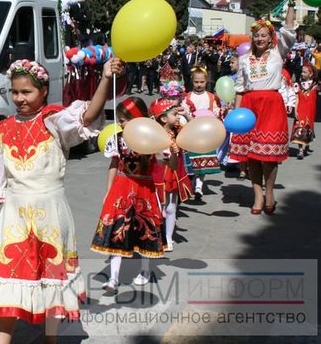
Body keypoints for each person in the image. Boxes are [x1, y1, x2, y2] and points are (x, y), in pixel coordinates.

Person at [0, 57, 124, 343]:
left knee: (50, 278)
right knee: (6, 278)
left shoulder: (54, 120)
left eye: (26, 92)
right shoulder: (4, 129)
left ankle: (50, 338)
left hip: (51, 214)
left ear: (43, 91)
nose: (19, 98)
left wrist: (106, 78)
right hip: (14, 216)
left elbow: (87, 116)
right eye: (15, 92)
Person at [229, 0, 299, 215]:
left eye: (263, 35)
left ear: (270, 37)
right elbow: (240, 88)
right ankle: (257, 196)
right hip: (249, 107)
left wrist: (291, 3)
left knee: (268, 156)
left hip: (271, 105)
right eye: (256, 35)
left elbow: (289, 29)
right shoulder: (244, 59)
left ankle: (269, 193)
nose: (260, 38)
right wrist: (236, 115)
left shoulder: (279, 51)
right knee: (251, 156)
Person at [90, 97, 165, 293]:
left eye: (123, 120)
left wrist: (169, 152)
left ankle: (146, 270)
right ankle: (113, 278)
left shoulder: (153, 138)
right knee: (117, 228)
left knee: (145, 227)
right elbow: (114, 164)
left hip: (144, 187)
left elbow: (164, 164)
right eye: (119, 120)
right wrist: (108, 190)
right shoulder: (118, 138)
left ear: (137, 118)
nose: (120, 124)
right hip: (122, 187)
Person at [150, 98, 192, 252]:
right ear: (163, 118)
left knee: (171, 207)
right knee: (158, 207)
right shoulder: (154, 134)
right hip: (158, 174)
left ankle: (168, 238)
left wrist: (187, 115)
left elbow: (193, 130)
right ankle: (155, 236)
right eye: (174, 114)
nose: (178, 117)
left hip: (174, 173)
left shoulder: (179, 130)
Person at [183, 67, 222, 197]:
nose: (199, 85)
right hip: (191, 132)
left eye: (202, 82)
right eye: (196, 82)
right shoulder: (187, 97)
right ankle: (191, 183)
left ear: (206, 82)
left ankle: (199, 186)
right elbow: (184, 113)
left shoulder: (211, 97)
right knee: (191, 160)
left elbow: (215, 112)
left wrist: (221, 112)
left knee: (202, 161)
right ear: (192, 81)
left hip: (205, 133)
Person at [292, 64, 321, 159]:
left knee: (307, 127)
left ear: (311, 74)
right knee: (299, 127)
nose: (302, 73)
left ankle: (306, 144)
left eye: (305, 72)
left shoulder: (315, 86)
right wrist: (295, 110)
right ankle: (300, 150)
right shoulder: (298, 85)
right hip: (301, 110)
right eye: (302, 71)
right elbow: (297, 98)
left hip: (310, 111)